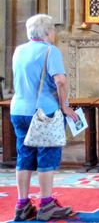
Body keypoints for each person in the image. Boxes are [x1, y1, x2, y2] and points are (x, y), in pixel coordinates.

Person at [10, 14, 78, 221]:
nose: (55, 34)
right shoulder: (51, 51)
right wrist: (65, 107)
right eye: (54, 30)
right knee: (47, 156)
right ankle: (47, 204)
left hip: (19, 109)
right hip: (43, 112)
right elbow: (60, 81)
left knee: (24, 155)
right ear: (48, 31)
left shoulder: (19, 50)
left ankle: (22, 204)